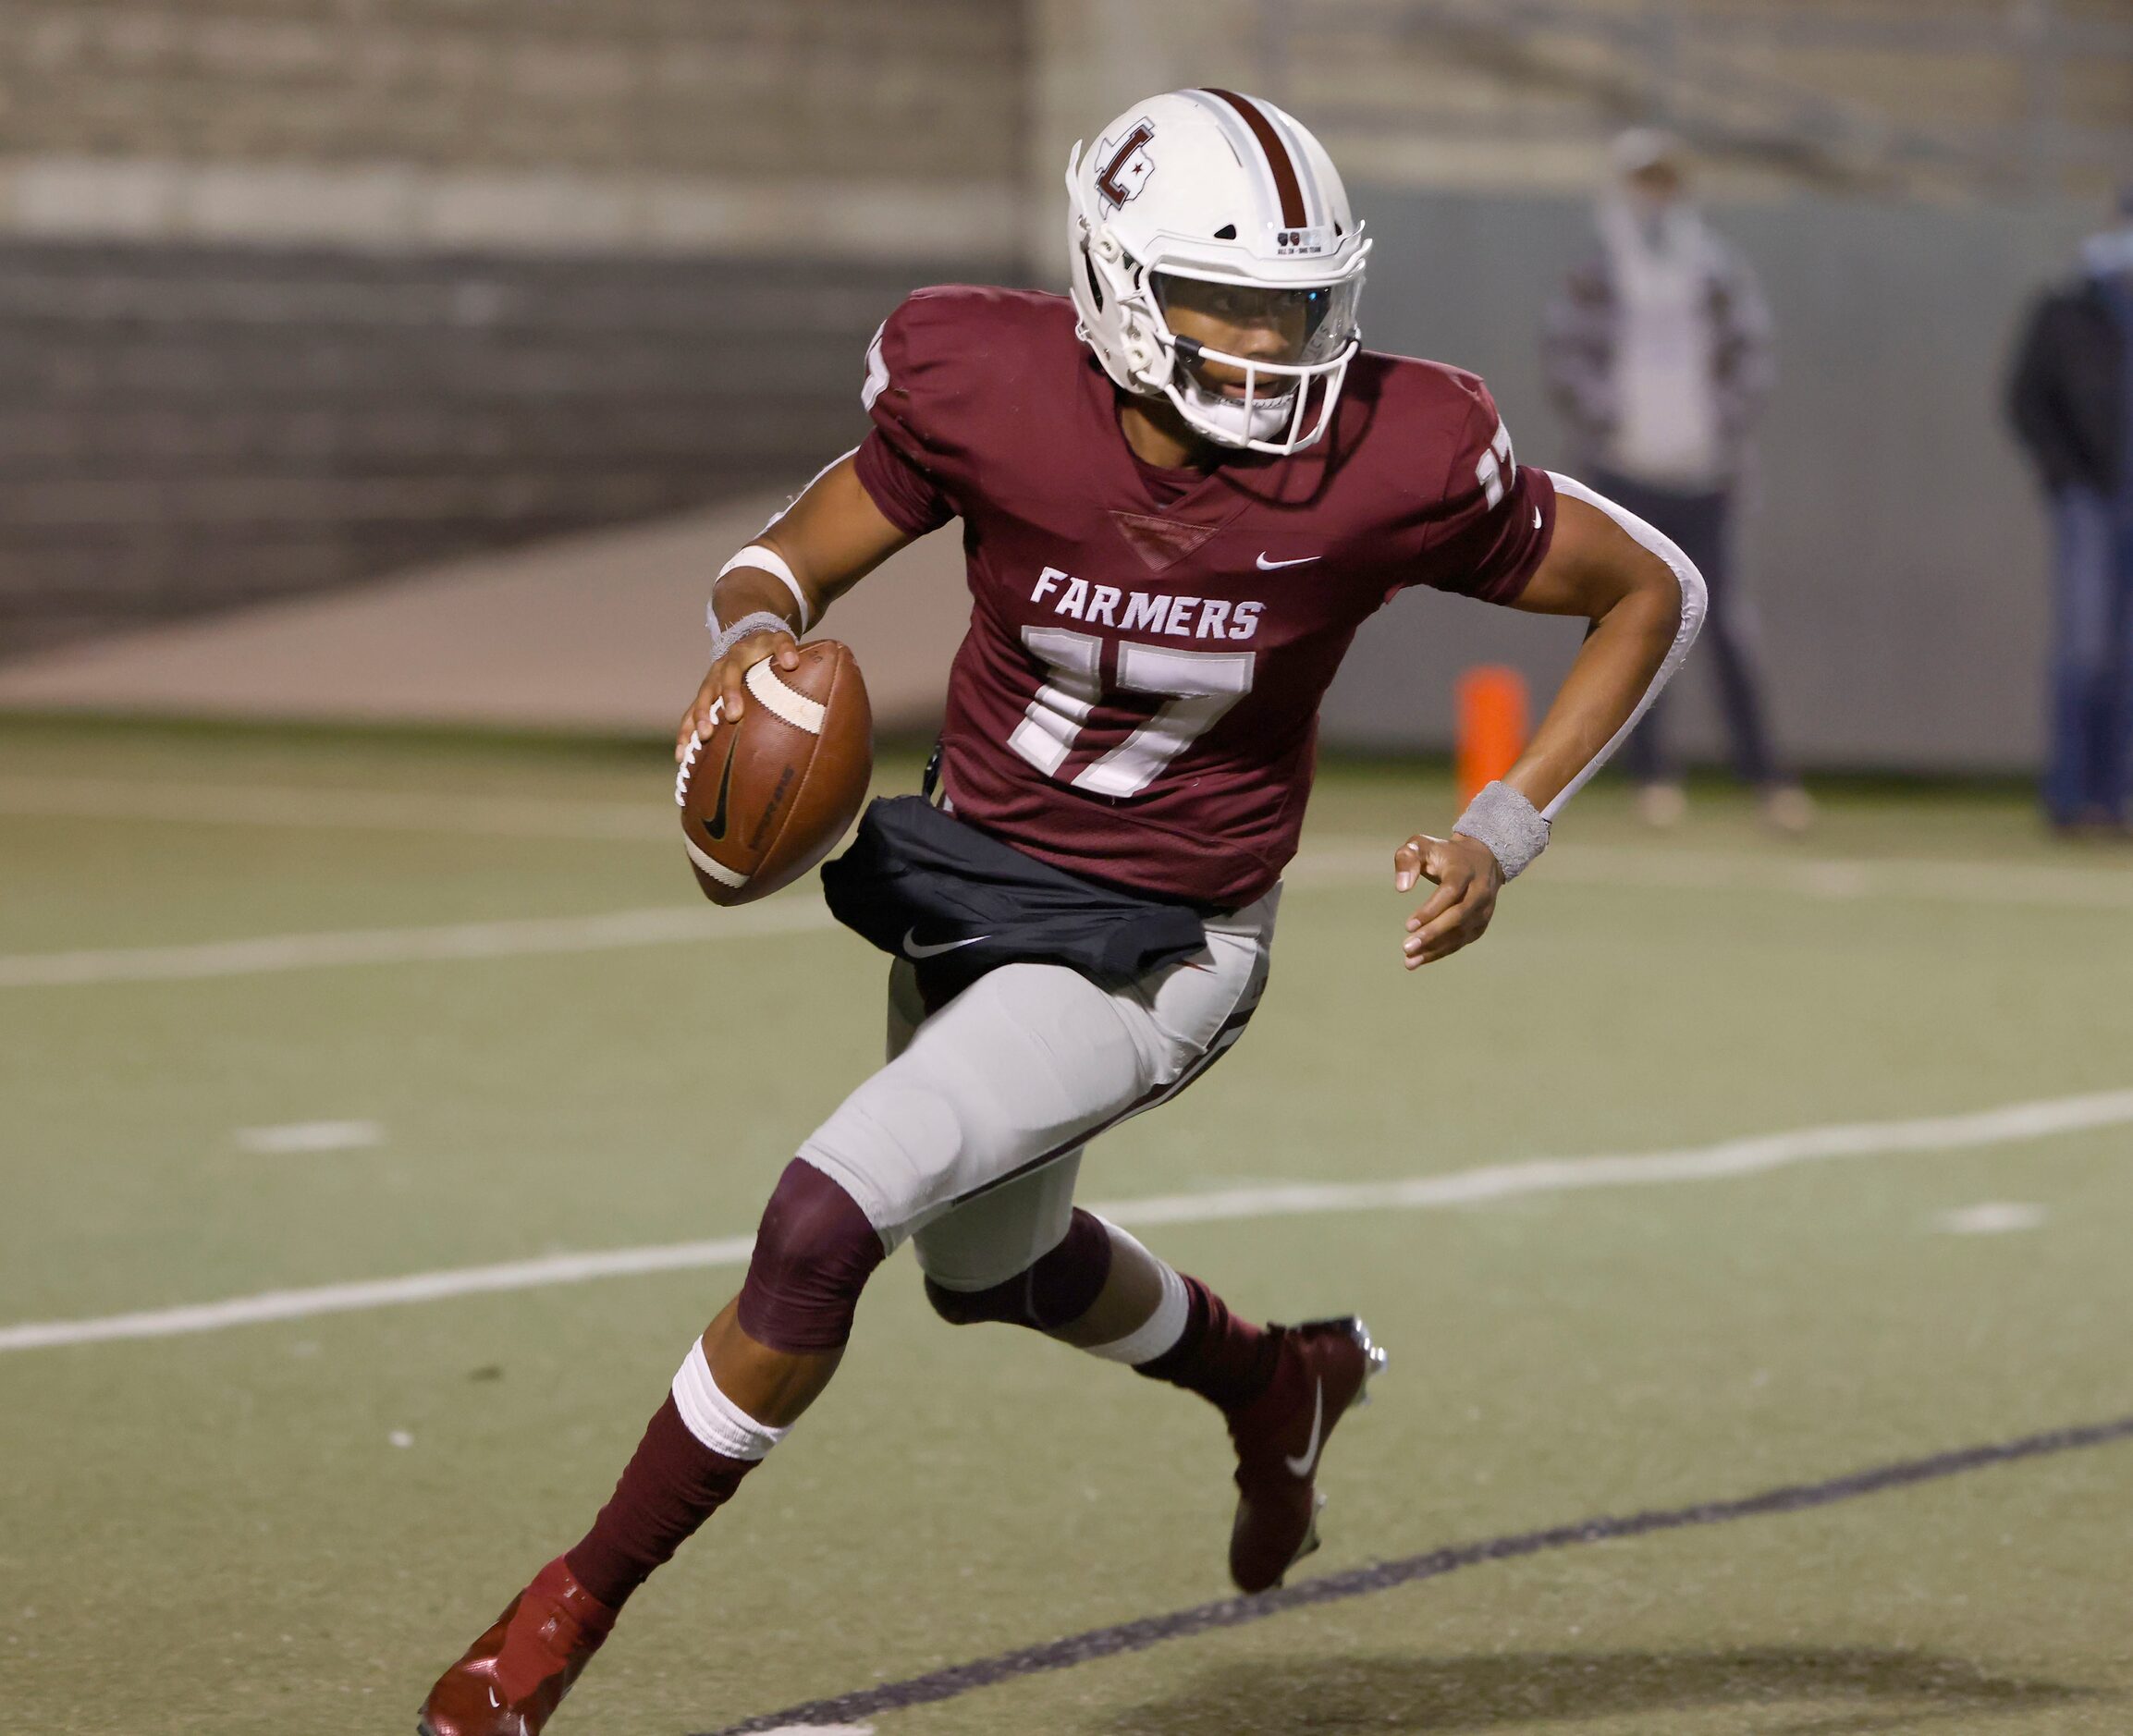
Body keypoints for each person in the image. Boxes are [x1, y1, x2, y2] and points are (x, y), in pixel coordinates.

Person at [417, 89, 1706, 1736]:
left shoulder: (1394, 450)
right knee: (991, 1268)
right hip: (970, 877)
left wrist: (1501, 824)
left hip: (1161, 935)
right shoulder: (986, 380)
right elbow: (780, 563)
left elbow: (1644, 583)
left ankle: (547, 1630)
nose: (1272, 343)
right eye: (1224, 300)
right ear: (1109, 285)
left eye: (1301, 305)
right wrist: (746, 637)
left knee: (824, 1219)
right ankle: (1276, 1377)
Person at [1543, 128, 1808, 832]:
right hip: (1624, 475)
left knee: (1726, 626)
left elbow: (1751, 355)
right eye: (1644, 181)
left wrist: (1716, 427)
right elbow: (1565, 355)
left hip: (1704, 477)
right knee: (1636, 621)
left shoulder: (1714, 269)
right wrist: (1614, 422)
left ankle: (1764, 775)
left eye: (1665, 181)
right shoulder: (1597, 268)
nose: (1655, 196)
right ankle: (1650, 774)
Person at [2007, 190, 2133, 835]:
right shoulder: (2069, 304)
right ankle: (2071, 797)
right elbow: (2026, 397)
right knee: (2085, 649)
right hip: (2090, 495)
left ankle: (2119, 798)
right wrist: (2065, 476)